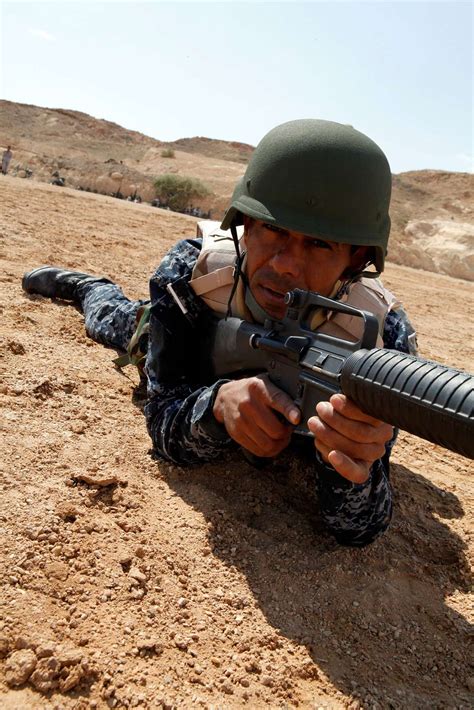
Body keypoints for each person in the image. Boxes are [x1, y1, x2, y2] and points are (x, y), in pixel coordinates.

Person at [22, 119, 417, 547]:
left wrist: (349, 461)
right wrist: (215, 407)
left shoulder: (381, 337)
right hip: (198, 342)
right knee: (120, 327)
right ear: (245, 223)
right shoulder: (194, 273)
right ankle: (90, 287)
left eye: (321, 245)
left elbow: (360, 526)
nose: (286, 264)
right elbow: (165, 427)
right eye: (273, 230)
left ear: (356, 258)